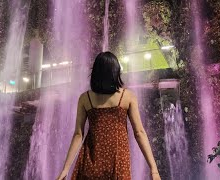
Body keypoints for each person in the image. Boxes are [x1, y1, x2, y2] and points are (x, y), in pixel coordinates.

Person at [56, 52, 161, 180]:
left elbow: (78, 134)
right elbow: (139, 132)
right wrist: (153, 168)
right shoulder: (127, 97)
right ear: (116, 72)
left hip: (91, 161)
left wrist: (65, 169)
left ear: (95, 73)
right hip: (118, 162)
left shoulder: (85, 98)